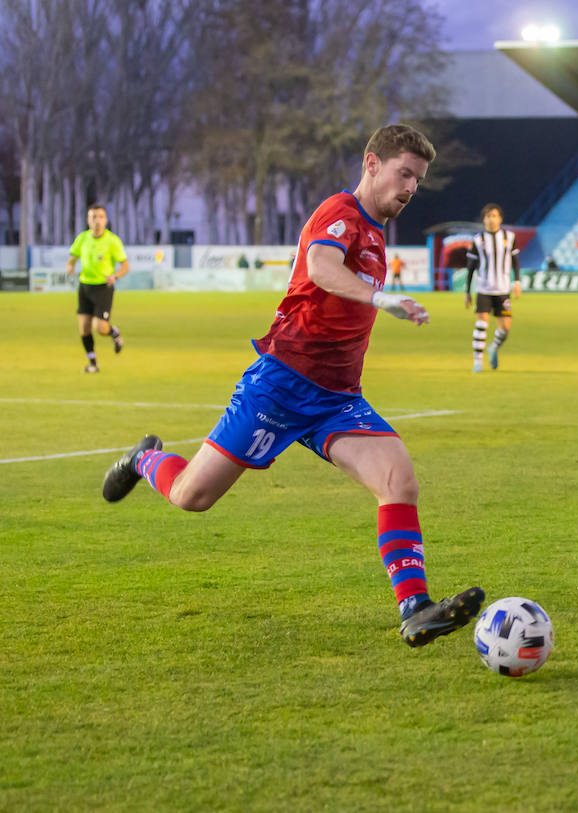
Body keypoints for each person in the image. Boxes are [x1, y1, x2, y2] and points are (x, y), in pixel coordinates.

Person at [99, 124, 484, 647]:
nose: (412, 187)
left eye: (418, 179)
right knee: (193, 497)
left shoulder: (375, 230)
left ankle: (415, 608)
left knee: (399, 482)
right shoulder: (340, 213)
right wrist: (378, 300)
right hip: (281, 386)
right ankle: (144, 458)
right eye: (405, 174)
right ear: (372, 164)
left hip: (337, 399)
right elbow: (321, 268)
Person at [65, 205, 129, 373]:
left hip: (103, 288)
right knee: (84, 327)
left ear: (106, 220)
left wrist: (115, 276)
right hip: (85, 286)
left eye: (100, 217)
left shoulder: (112, 241)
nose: (97, 220)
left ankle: (113, 332)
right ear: (88, 220)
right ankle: (93, 363)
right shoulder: (82, 238)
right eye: (93, 217)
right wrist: (70, 266)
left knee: (100, 328)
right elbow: (72, 258)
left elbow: (125, 266)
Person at [465, 203, 521, 372]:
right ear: (484, 219)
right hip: (484, 289)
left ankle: (494, 347)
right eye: (488, 216)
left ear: (500, 219)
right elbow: (471, 267)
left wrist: (517, 282)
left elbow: (515, 262)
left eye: (495, 216)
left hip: (503, 290)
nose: (492, 219)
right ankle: (478, 362)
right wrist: (468, 291)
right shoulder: (478, 240)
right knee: (482, 324)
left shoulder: (509, 237)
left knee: (505, 328)